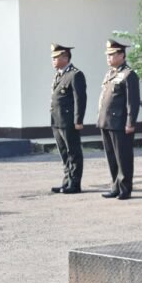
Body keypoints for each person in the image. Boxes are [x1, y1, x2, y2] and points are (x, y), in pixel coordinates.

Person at [97, 39, 140, 200]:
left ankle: (125, 188)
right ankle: (115, 186)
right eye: (107, 55)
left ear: (121, 55)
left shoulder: (129, 74)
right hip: (106, 122)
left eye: (111, 55)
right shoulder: (110, 73)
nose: (108, 58)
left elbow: (132, 101)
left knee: (123, 157)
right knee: (111, 157)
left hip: (121, 123)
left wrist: (130, 122)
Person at [50, 44, 87, 194]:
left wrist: (78, 120)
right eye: (52, 58)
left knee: (73, 153)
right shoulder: (59, 74)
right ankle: (67, 182)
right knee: (64, 153)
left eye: (56, 58)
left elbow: (80, 99)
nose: (53, 61)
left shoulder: (75, 74)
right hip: (57, 120)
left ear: (65, 57)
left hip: (69, 121)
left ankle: (75, 184)